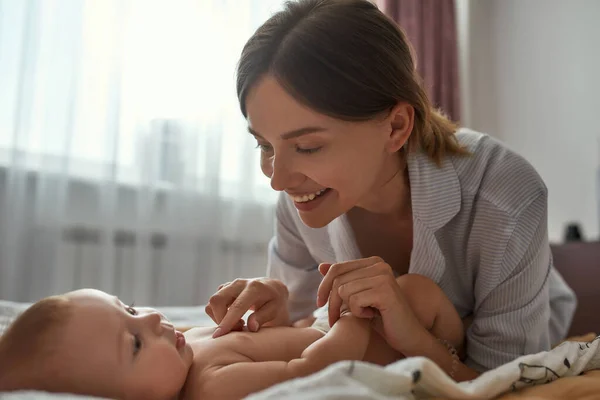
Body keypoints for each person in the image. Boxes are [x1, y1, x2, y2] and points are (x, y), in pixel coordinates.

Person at [205, 0, 577, 382]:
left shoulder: (504, 194)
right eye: (265, 146)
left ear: (396, 126)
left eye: (308, 147)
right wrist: (278, 310)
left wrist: (415, 339)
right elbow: (307, 333)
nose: (277, 179)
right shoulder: (302, 195)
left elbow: (505, 381)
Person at [0, 274, 463, 400]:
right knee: (413, 292)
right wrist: (357, 319)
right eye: (135, 343)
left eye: (131, 309)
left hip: (333, 323)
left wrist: (268, 302)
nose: (155, 319)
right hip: (386, 337)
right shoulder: (212, 386)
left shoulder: (185, 349)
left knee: (412, 288)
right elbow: (310, 368)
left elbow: (276, 337)